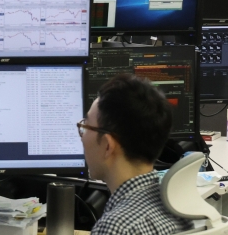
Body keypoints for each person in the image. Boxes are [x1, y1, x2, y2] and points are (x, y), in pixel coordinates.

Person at [77, 74, 193, 235]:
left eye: (86, 126)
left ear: (107, 146)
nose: (82, 136)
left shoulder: (115, 228)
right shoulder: (178, 208)